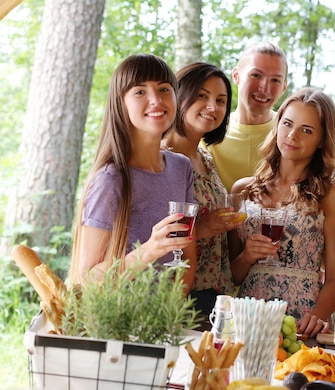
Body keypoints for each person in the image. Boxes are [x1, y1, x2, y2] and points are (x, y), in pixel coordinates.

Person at [229, 87, 335, 338]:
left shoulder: (333, 195)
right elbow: (233, 275)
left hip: (299, 322)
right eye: (287, 124)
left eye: (307, 130)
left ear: (321, 141)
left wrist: (317, 316)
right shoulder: (242, 190)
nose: (292, 136)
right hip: (247, 318)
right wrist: (246, 256)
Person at [68, 54, 197, 292]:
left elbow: (187, 257)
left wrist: (170, 314)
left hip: (164, 323)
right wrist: (149, 250)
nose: (156, 100)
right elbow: (85, 281)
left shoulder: (182, 168)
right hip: (116, 322)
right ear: (121, 103)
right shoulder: (111, 179)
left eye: (164, 89)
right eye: (139, 92)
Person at [161, 62, 240, 318]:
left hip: (216, 292)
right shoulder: (162, 157)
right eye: (202, 96)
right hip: (179, 294)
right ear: (179, 95)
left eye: (220, 100)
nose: (212, 107)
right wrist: (203, 227)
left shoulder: (205, 158)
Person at [208, 41, 289, 191]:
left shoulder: (292, 134)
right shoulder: (208, 131)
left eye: (275, 80)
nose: (264, 87)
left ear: (284, 87)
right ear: (236, 75)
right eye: (256, 75)